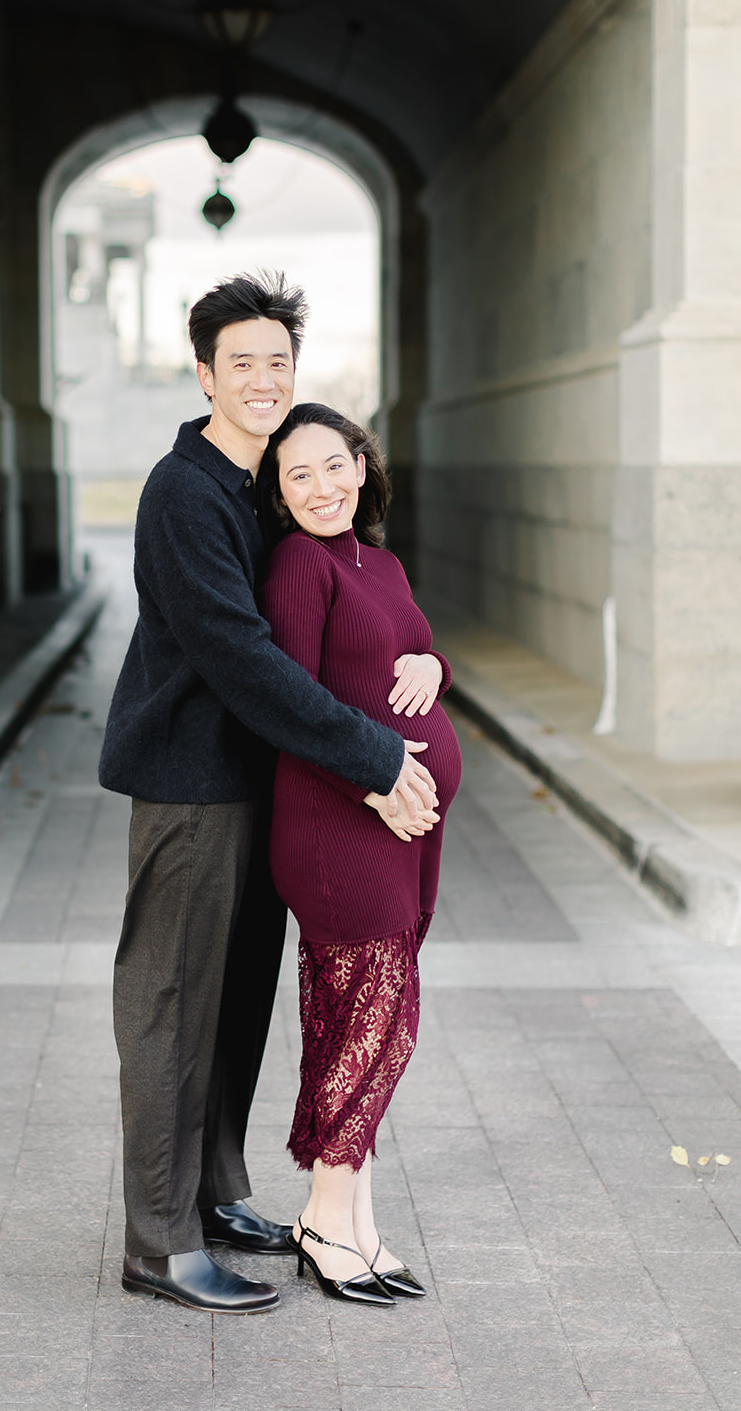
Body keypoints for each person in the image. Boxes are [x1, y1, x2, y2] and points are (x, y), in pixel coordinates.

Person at [98, 272, 444, 1316]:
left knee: (235, 1000)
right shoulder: (182, 490)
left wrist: (422, 664)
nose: (259, 379)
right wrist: (376, 757)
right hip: (190, 789)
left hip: (258, 789)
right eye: (238, 362)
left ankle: (210, 1193)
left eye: (276, 363)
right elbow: (243, 659)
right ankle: (158, 1242)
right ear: (203, 373)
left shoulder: (259, 484)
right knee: (170, 1001)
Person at [261, 402, 462, 1306]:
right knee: (378, 1026)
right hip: (340, 828)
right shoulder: (301, 566)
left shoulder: (376, 562)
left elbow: (411, 648)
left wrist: (435, 668)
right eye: (296, 474)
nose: (320, 487)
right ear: (277, 491)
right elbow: (291, 706)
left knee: (364, 1026)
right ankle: (321, 1213)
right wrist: (375, 783)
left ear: (360, 464)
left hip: (402, 834)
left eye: (332, 466)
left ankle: (353, 1223)